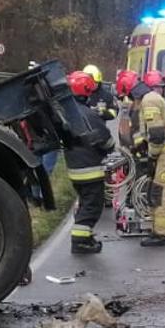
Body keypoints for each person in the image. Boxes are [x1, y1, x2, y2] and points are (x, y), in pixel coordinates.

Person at [129, 69, 165, 246]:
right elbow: (147, 130)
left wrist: (152, 157)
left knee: (160, 192)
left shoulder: (150, 100)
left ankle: (162, 235)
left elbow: (156, 134)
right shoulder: (151, 99)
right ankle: (157, 230)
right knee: (156, 191)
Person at [63, 71, 114, 253]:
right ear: (86, 91)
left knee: (85, 203)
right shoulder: (89, 115)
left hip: (75, 169)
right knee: (92, 206)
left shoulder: (67, 113)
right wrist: (111, 149)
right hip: (90, 170)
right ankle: (81, 242)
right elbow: (107, 142)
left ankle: (85, 237)